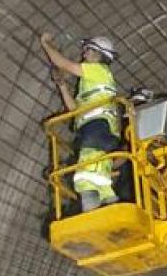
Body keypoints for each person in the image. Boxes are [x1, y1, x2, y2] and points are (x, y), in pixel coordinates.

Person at [40, 32, 121, 212]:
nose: (84, 55)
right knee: (100, 169)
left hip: (97, 127)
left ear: (99, 55)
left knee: (86, 171)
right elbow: (74, 110)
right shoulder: (91, 81)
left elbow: (63, 64)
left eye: (88, 51)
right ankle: (110, 202)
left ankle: (91, 209)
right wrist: (62, 85)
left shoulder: (99, 70)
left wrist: (46, 44)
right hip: (99, 129)